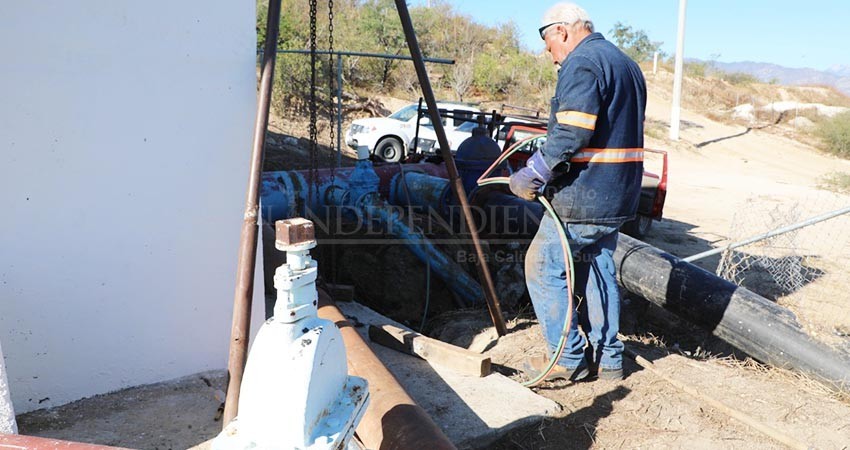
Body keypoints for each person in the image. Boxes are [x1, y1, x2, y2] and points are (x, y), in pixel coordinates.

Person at [509, 2, 646, 381]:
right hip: (616, 193)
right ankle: (609, 358)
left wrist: (533, 173)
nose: (547, 51)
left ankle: (566, 359)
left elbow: (572, 132)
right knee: (597, 268)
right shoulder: (625, 63)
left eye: (546, 40)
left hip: (583, 196)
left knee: (541, 266)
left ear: (562, 31)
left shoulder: (583, 63)